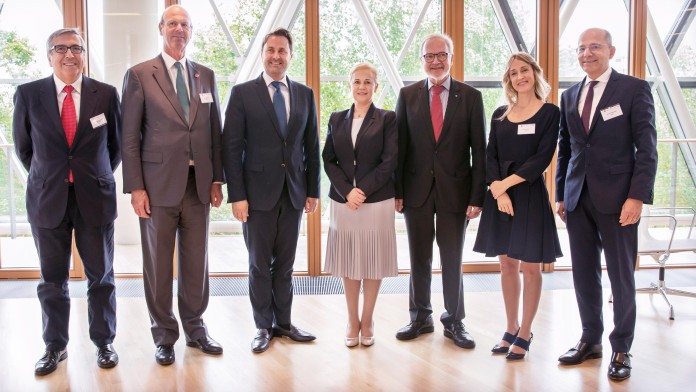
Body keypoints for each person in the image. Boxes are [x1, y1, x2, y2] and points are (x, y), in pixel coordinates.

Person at [12, 28, 121, 375]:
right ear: (49, 56)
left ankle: (104, 343)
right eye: (61, 48)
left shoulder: (105, 94)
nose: (69, 55)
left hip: (95, 197)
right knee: (52, 279)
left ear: (84, 54)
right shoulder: (29, 94)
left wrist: (91, 174)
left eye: (76, 48)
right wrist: (53, 177)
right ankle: (54, 347)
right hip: (48, 200)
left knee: (100, 277)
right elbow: (24, 148)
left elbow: (115, 148)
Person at [121, 5, 225, 366]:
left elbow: (214, 131)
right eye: (173, 23)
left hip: (198, 186)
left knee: (197, 263)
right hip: (157, 187)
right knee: (159, 265)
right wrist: (136, 187)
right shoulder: (139, 75)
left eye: (185, 24)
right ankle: (164, 335)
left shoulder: (205, 76)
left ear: (191, 31)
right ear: (160, 28)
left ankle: (196, 329)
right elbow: (129, 136)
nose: (178, 29)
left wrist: (217, 179)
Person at [556, 28, 657, 381]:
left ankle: (622, 347)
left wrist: (637, 196)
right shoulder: (569, 95)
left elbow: (647, 148)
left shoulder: (633, 89)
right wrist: (559, 195)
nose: (587, 53)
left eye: (594, 47)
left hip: (619, 200)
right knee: (583, 274)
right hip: (577, 198)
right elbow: (566, 149)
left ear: (611, 50)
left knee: (621, 276)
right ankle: (590, 340)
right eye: (581, 48)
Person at [222, 28, 321, 354]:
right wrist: (237, 195)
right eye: (271, 50)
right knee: (259, 265)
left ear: (290, 55)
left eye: (282, 51)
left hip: (292, 194)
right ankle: (262, 326)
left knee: (286, 265)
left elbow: (311, 145)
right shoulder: (242, 94)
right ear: (263, 54)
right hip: (256, 195)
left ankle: (284, 323)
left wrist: (312, 191)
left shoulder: (305, 94)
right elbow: (231, 148)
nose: (276, 56)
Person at [394, 33, 486, 349]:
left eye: (441, 54)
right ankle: (420, 316)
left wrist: (477, 196)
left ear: (452, 56)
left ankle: (455, 321)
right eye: (429, 55)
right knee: (418, 257)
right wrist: (397, 191)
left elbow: (480, 151)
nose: (435, 61)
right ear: (421, 60)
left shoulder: (471, 97)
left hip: (456, 192)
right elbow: (400, 147)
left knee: (452, 257)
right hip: (415, 190)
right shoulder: (407, 96)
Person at [473, 52, 562, 360]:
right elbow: (491, 156)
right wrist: (498, 193)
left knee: (531, 267)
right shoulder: (500, 114)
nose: (520, 76)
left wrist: (505, 186)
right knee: (507, 265)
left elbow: (542, 158)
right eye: (513, 73)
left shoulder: (550, 113)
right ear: (508, 80)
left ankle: (526, 331)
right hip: (501, 198)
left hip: (528, 195)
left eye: (524, 70)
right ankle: (510, 327)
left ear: (534, 73)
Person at [323, 63, 398, 347]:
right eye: (357, 82)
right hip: (344, 203)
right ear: (350, 86)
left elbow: (390, 160)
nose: (362, 86)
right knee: (349, 261)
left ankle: (368, 319)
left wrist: (362, 190)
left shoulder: (387, 118)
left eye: (368, 82)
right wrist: (347, 191)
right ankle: (351, 319)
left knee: (372, 261)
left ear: (376, 87)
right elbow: (328, 158)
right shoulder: (336, 118)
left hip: (376, 201)